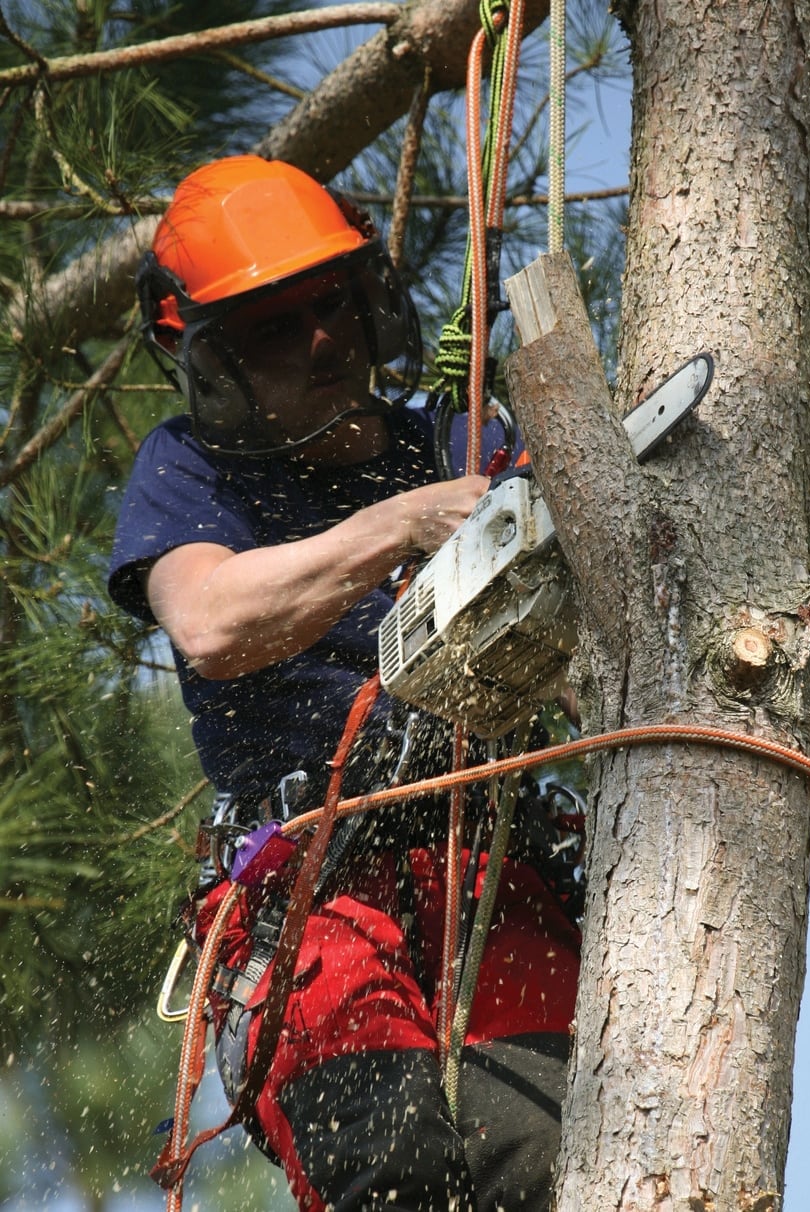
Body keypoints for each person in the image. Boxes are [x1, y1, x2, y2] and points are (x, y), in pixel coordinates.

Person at [108, 155, 582, 1212]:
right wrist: (396, 528)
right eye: (276, 327)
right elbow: (212, 621)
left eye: (331, 307)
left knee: (548, 1163)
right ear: (217, 358)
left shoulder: (456, 443)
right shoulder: (189, 470)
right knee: (391, 1171)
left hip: (488, 864)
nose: (320, 340)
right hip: (311, 895)